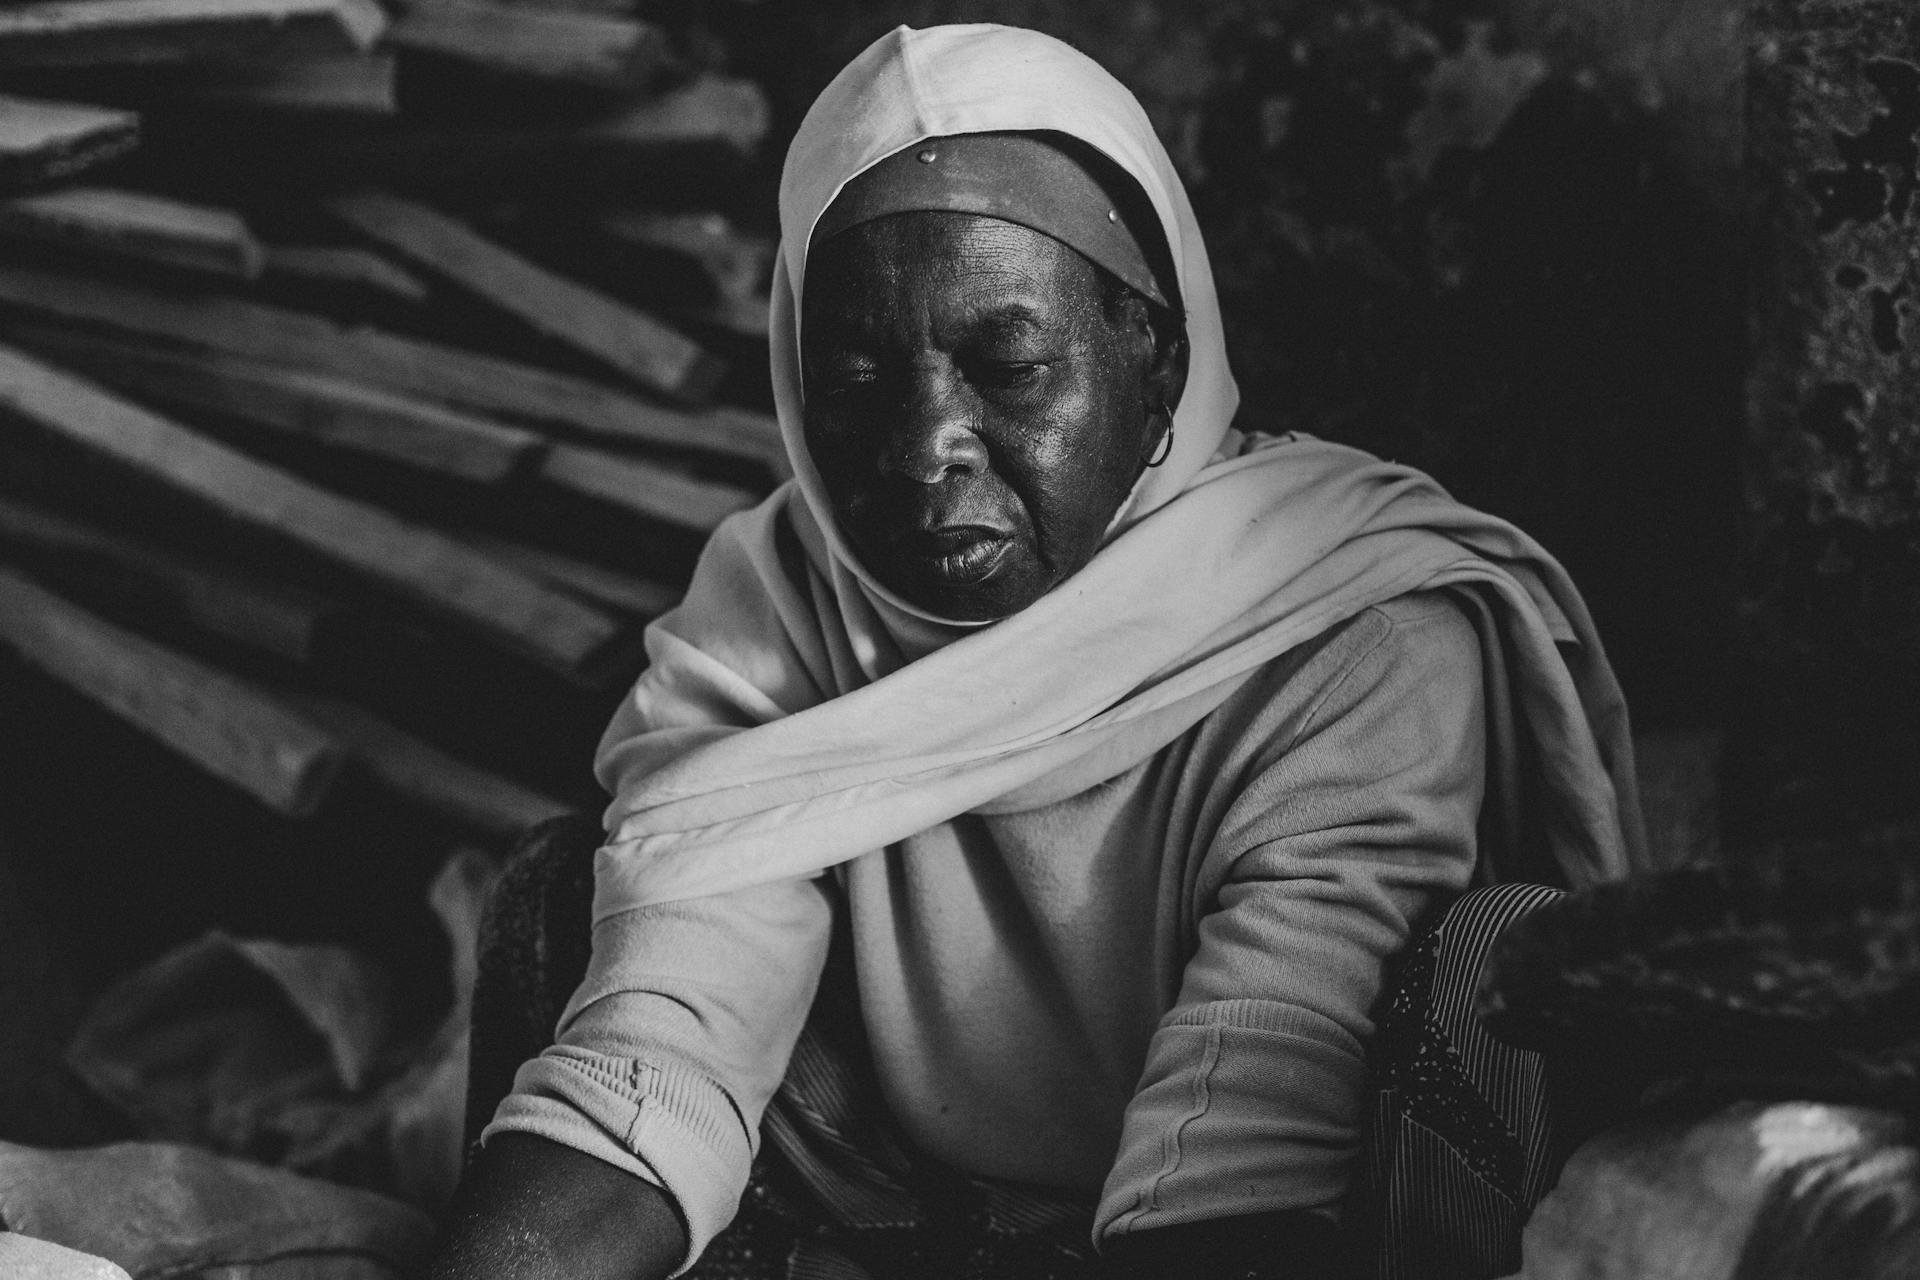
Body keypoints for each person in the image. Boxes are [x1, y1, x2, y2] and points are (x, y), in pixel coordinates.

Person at [429, 23, 1646, 1280]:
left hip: (1266, 1228)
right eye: (851, 381)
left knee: (1488, 968)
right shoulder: (781, 592)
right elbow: (656, 1053)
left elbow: (1255, 1119)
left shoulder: (1349, 626)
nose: (924, 450)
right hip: (899, 1196)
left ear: (1156, 360)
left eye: (1009, 365)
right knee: (560, 897)